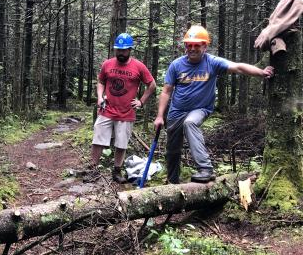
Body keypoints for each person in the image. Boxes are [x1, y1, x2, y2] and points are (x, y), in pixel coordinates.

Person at [153, 25, 274, 184]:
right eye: (189, 45)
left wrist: (261, 72)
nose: (193, 48)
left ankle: (205, 169)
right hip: (176, 112)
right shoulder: (176, 65)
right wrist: (160, 116)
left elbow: (238, 67)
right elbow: (166, 91)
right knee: (172, 149)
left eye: (197, 45)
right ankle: (172, 182)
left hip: (200, 109)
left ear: (205, 46)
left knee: (190, 123)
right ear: (185, 47)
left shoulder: (212, 62)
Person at [85, 33, 157, 183]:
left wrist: (141, 101)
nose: (120, 53)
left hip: (126, 112)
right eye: (118, 50)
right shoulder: (108, 64)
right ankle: (93, 169)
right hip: (107, 109)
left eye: (123, 50)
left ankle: (117, 172)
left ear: (130, 49)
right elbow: (101, 81)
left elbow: (152, 84)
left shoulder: (138, 66)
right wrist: (99, 97)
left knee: (121, 143)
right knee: (98, 139)